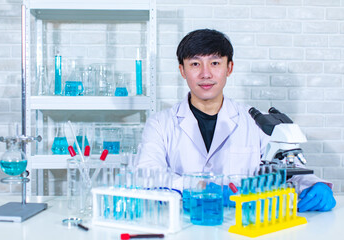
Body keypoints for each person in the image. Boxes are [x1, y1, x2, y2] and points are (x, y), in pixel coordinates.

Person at [137, 29, 335, 212]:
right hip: (182, 223)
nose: (205, 74)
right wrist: (199, 187)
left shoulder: (255, 122)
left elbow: (289, 170)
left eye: (215, 63)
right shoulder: (160, 124)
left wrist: (315, 185)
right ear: (182, 70)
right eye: (195, 64)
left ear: (229, 68)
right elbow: (147, 175)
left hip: (242, 224)